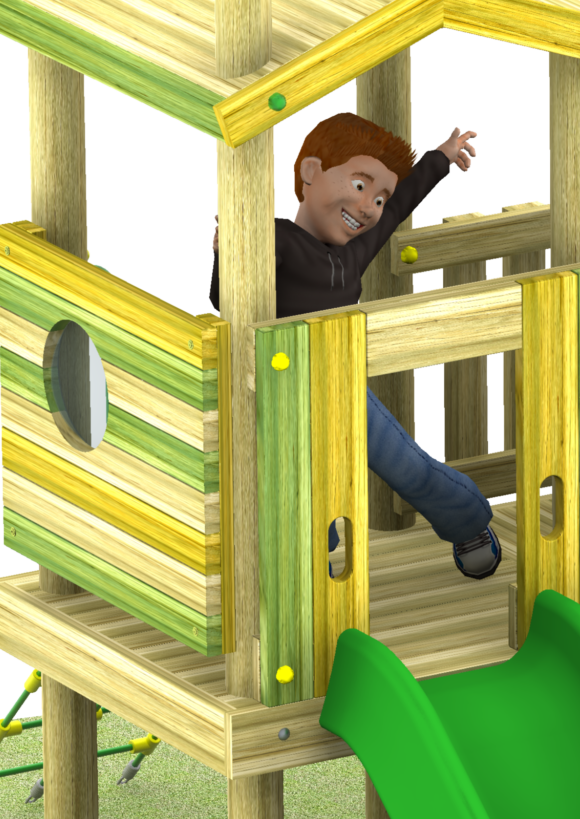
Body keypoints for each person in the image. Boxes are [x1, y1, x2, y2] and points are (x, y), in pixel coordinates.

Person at [209, 111, 501, 579]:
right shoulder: (279, 239)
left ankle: (466, 520)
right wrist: (230, 253)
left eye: (377, 199)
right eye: (362, 187)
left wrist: (440, 159)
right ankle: (310, 557)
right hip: (275, 386)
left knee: (404, 465)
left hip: (338, 386)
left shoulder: (353, 250)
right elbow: (229, 297)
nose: (369, 208)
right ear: (310, 173)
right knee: (295, 479)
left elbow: (404, 199)